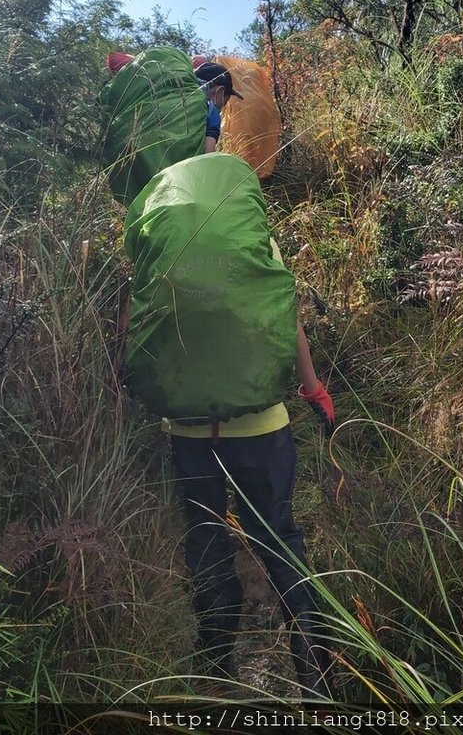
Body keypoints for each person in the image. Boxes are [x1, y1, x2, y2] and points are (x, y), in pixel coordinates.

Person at [166, 279, 336, 698]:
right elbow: (285, 317)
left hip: (189, 428)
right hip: (261, 425)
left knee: (206, 540)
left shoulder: (158, 227)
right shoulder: (251, 233)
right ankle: (320, 690)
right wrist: (313, 388)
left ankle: (213, 681)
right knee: (280, 542)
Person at [193, 62, 244, 152]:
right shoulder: (211, 114)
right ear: (219, 91)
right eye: (225, 101)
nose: (222, 108)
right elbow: (207, 157)